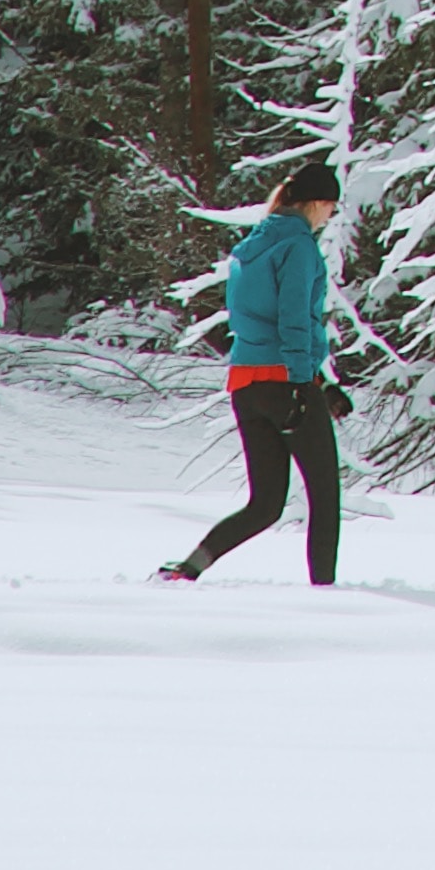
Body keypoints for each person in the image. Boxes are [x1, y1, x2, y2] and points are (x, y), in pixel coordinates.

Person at [164, 162, 346, 586]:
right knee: (325, 500)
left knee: (265, 504)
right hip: (286, 384)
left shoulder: (252, 245)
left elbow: (259, 322)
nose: (329, 218)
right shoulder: (298, 247)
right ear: (317, 203)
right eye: (330, 209)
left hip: (247, 385)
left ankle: (188, 568)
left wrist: (322, 382)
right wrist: (303, 383)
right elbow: (293, 318)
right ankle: (327, 596)